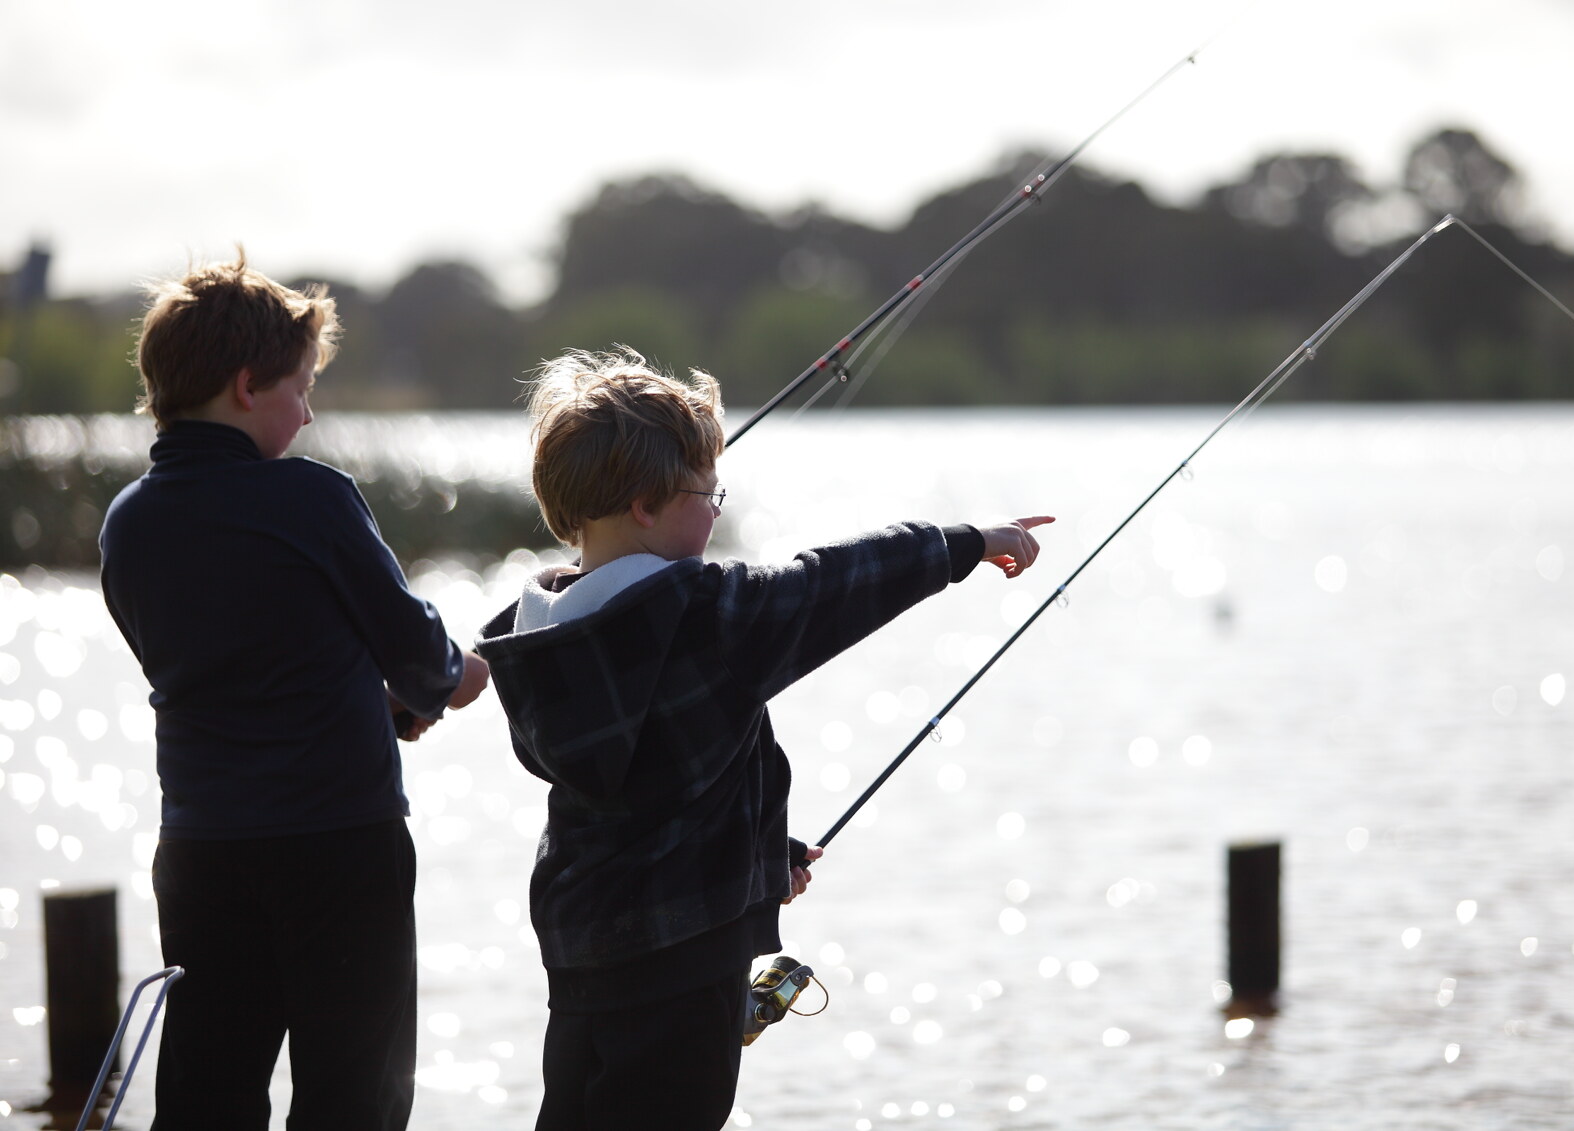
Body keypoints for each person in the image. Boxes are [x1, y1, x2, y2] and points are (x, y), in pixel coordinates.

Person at [474, 348, 1051, 1130]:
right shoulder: (711, 616)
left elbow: (648, 786)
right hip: (686, 960)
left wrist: (758, 856)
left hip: (581, 949)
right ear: (645, 502)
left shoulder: (530, 636)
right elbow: (835, 583)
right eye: (708, 492)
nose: (716, 509)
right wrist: (965, 542)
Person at [98, 252, 490, 1130]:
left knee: (209, 1086)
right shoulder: (311, 498)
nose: (308, 411)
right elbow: (425, 659)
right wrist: (463, 675)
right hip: (338, 849)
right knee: (355, 1092)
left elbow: (217, 669)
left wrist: (367, 705)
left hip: (202, 854)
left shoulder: (128, 520)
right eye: (302, 388)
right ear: (248, 386)